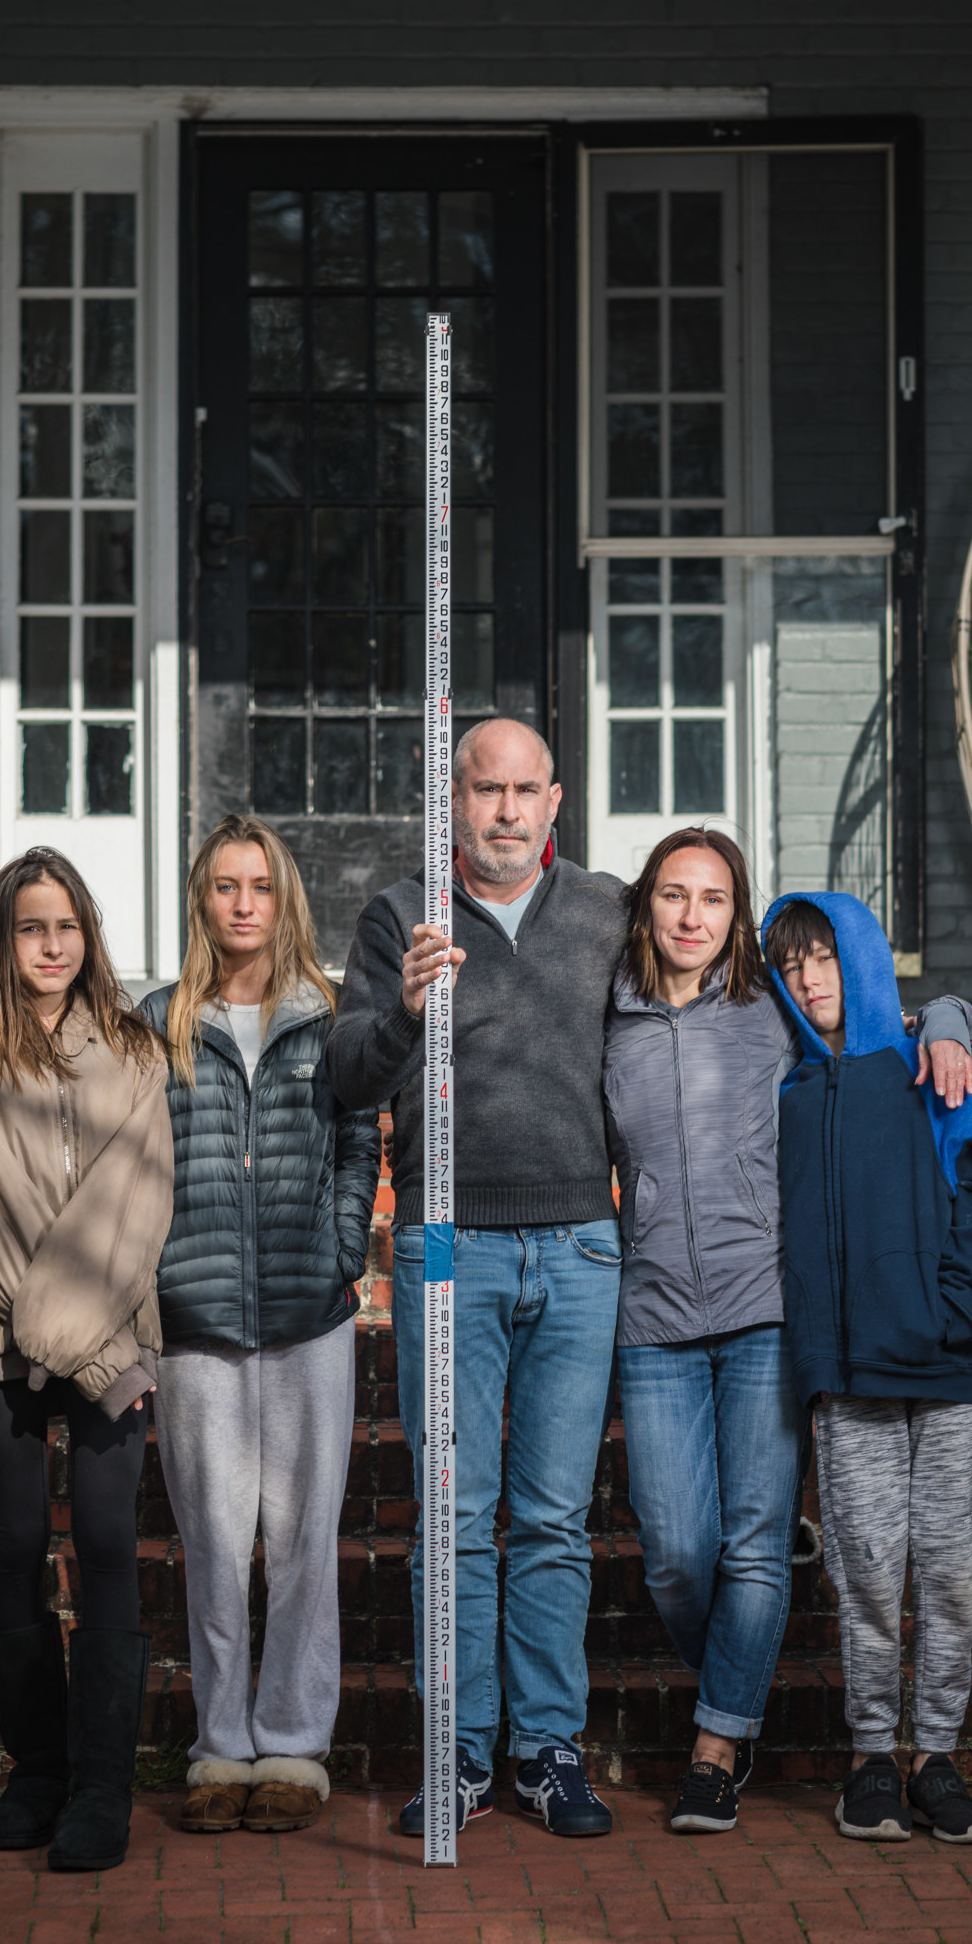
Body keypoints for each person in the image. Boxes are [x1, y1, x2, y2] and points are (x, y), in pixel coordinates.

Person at [604, 830, 972, 1835]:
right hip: (653, 1317)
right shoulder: (611, 1019)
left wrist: (951, 1016)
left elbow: (889, 1020)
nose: (692, 915)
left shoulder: (770, 1010)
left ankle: (717, 1746)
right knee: (680, 1553)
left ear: (737, 916)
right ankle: (742, 1662)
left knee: (756, 1550)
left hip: (768, 1309)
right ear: (646, 908)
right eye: (674, 895)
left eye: (714, 897)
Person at [325, 719, 629, 1837]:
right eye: (483, 789)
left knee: (552, 1516)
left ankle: (546, 1747)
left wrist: (942, 1015)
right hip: (447, 1245)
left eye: (524, 791)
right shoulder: (402, 915)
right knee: (455, 1514)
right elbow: (345, 1074)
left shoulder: (605, 913)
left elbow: (709, 996)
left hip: (580, 1246)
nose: (504, 810)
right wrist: (404, 1010)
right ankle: (456, 1751)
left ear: (556, 800)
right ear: (450, 799)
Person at [0, 849, 173, 1873]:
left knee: (109, 1543)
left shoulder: (132, 1046)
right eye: (31, 926)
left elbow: (136, 1204)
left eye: (66, 925)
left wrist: (82, 1337)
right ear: (0, 938)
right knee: (17, 1543)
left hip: (113, 1332)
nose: (52, 944)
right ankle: (39, 1770)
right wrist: (56, 1326)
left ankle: (104, 1783)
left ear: (89, 933)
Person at [762, 892, 972, 1845]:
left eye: (823, 958)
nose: (807, 979)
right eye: (790, 966)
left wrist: (948, 1320)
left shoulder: (926, 1070)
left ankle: (935, 1759)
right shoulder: (786, 1093)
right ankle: (871, 1759)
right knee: (867, 1573)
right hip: (850, 1381)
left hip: (946, 1377)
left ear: (862, 960)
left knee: (945, 1574)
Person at [140, 816, 380, 1836]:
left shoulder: (328, 1015)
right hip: (193, 1322)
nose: (242, 903)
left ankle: (291, 1742)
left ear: (285, 901)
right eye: (225, 886)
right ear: (202, 900)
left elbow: (360, 1140)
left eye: (261, 886)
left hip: (306, 1317)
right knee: (214, 1541)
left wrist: (337, 1249)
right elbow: (131, 1160)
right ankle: (220, 1745)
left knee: (300, 1541)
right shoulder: (157, 1019)